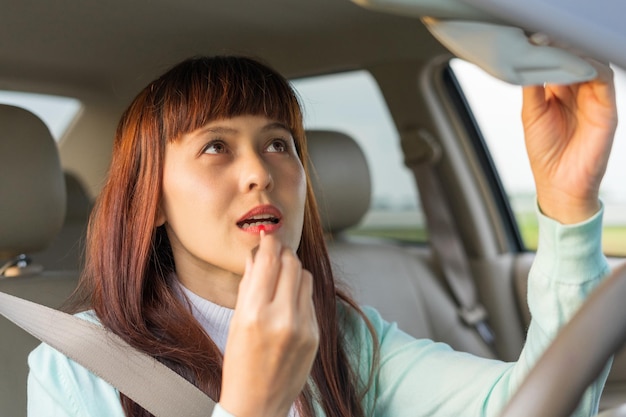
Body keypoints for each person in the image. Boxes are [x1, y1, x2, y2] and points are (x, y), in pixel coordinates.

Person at [27, 55, 617, 417]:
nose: (261, 170)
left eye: (278, 144)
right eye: (215, 146)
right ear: (151, 201)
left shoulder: (347, 337)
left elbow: (540, 404)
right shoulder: (76, 369)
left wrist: (567, 206)